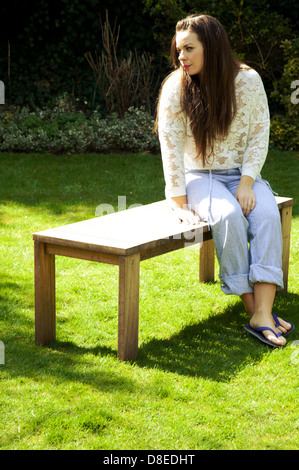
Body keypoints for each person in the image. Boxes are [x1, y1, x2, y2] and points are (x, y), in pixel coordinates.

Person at [156, 14, 294, 348]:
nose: (181, 57)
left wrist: (247, 183)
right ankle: (258, 313)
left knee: (265, 215)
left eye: (189, 49)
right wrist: (178, 203)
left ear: (212, 47)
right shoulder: (176, 86)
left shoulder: (248, 81)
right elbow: (171, 147)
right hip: (199, 178)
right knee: (228, 216)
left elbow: (260, 135)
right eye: (178, 51)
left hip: (240, 175)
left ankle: (262, 313)